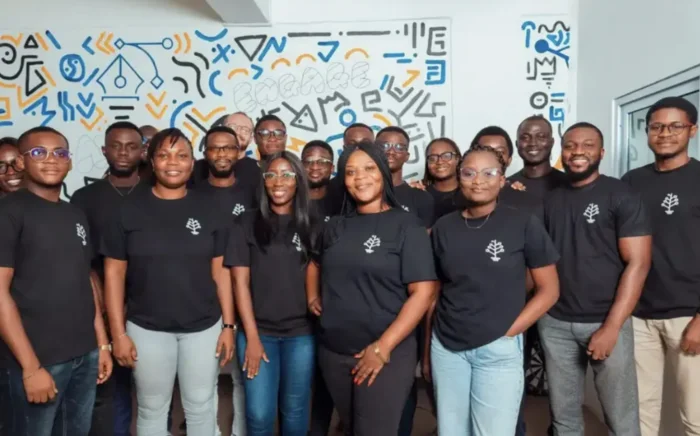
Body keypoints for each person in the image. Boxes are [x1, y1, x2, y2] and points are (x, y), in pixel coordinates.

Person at [102, 128, 235, 436]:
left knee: (201, 406)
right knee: (151, 409)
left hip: (203, 328)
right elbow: (113, 274)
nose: (172, 162)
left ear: (192, 162)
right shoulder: (126, 210)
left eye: (181, 155)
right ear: (151, 161)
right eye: (163, 155)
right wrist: (117, 334)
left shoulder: (211, 208)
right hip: (146, 328)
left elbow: (221, 272)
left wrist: (228, 325)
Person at [426, 144, 560, 435]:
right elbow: (434, 290)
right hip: (447, 348)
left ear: (502, 180)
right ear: (459, 178)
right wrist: (428, 346)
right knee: (451, 431)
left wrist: (510, 331)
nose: (478, 180)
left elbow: (549, 290)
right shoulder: (443, 227)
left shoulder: (523, 223)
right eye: (469, 173)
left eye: (489, 173)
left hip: (498, 347)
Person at [307, 141, 437, 435]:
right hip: (334, 352)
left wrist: (382, 347)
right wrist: (312, 296)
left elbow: (424, 292)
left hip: (385, 353)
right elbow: (315, 263)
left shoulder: (407, 225)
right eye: (351, 172)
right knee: (353, 428)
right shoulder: (334, 226)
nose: (360, 178)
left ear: (383, 172)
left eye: (369, 168)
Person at [540, 122, 652, 436]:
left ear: (601, 152)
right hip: (555, 322)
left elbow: (639, 263)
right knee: (563, 419)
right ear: (561, 153)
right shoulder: (551, 199)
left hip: (605, 320)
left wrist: (612, 327)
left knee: (621, 419)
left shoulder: (621, 194)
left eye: (587, 145)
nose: (578, 152)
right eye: (570, 145)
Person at [0, 126, 112, 436]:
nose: (51, 159)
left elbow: (85, 280)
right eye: (39, 152)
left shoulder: (74, 213)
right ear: (21, 162)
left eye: (60, 153)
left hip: (84, 355)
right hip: (37, 360)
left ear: (70, 162)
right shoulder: (9, 212)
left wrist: (101, 344)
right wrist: (30, 367)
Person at [621, 97, 700, 436]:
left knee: (696, 417)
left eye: (675, 126)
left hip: (689, 314)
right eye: (657, 126)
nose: (665, 133)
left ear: (692, 130)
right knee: (640, 415)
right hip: (639, 314)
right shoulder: (632, 181)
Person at [225, 151, 316, 435]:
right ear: (263, 181)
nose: (279, 181)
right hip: (258, 333)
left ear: (298, 181)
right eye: (272, 175)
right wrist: (252, 338)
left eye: (287, 175)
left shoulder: (313, 224)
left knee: (295, 410)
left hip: (301, 334)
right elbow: (239, 283)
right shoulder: (246, 223)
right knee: (259, 414)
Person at [71, 121, 147, 436]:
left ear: (143, 151)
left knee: (154, 386)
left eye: (131, 146)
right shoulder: (84, 198)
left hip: (152, 306)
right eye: (116, 146)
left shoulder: (159, 192)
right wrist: (104, 307)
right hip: (101, 304)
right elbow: (82, 261)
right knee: (111, 386)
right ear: (104, 150)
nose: (123, 152)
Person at [469, 126, 542, 220]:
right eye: (485, 150)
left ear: (509, 160)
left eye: (500, 152)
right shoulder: (460, 198)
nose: (493, 156)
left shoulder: (528, 203)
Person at [377, 126, 435, 228]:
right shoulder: (362, 193)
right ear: (374, 151)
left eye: (399, 147)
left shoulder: (421, 197)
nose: (391, 151)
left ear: (407, 156)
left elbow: (425, 235)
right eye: (385, 146)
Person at [510, 115, 568, 198]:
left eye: (541, 137)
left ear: (552, 142)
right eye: (525, 138)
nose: (533, 143)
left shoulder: (569, 184)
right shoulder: (505, 187)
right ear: (517, 144)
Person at [422, 137, 461, 219]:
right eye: (433, 158)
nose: (439, 162)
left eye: (446, 156)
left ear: (457, 159)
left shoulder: (470, 194)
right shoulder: (420, 194)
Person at [303, 140, 341, 222]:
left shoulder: (342, 201)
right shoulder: (289, 199)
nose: (314, 167)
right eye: (308, 161)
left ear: (332, 168)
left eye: (322, 162)